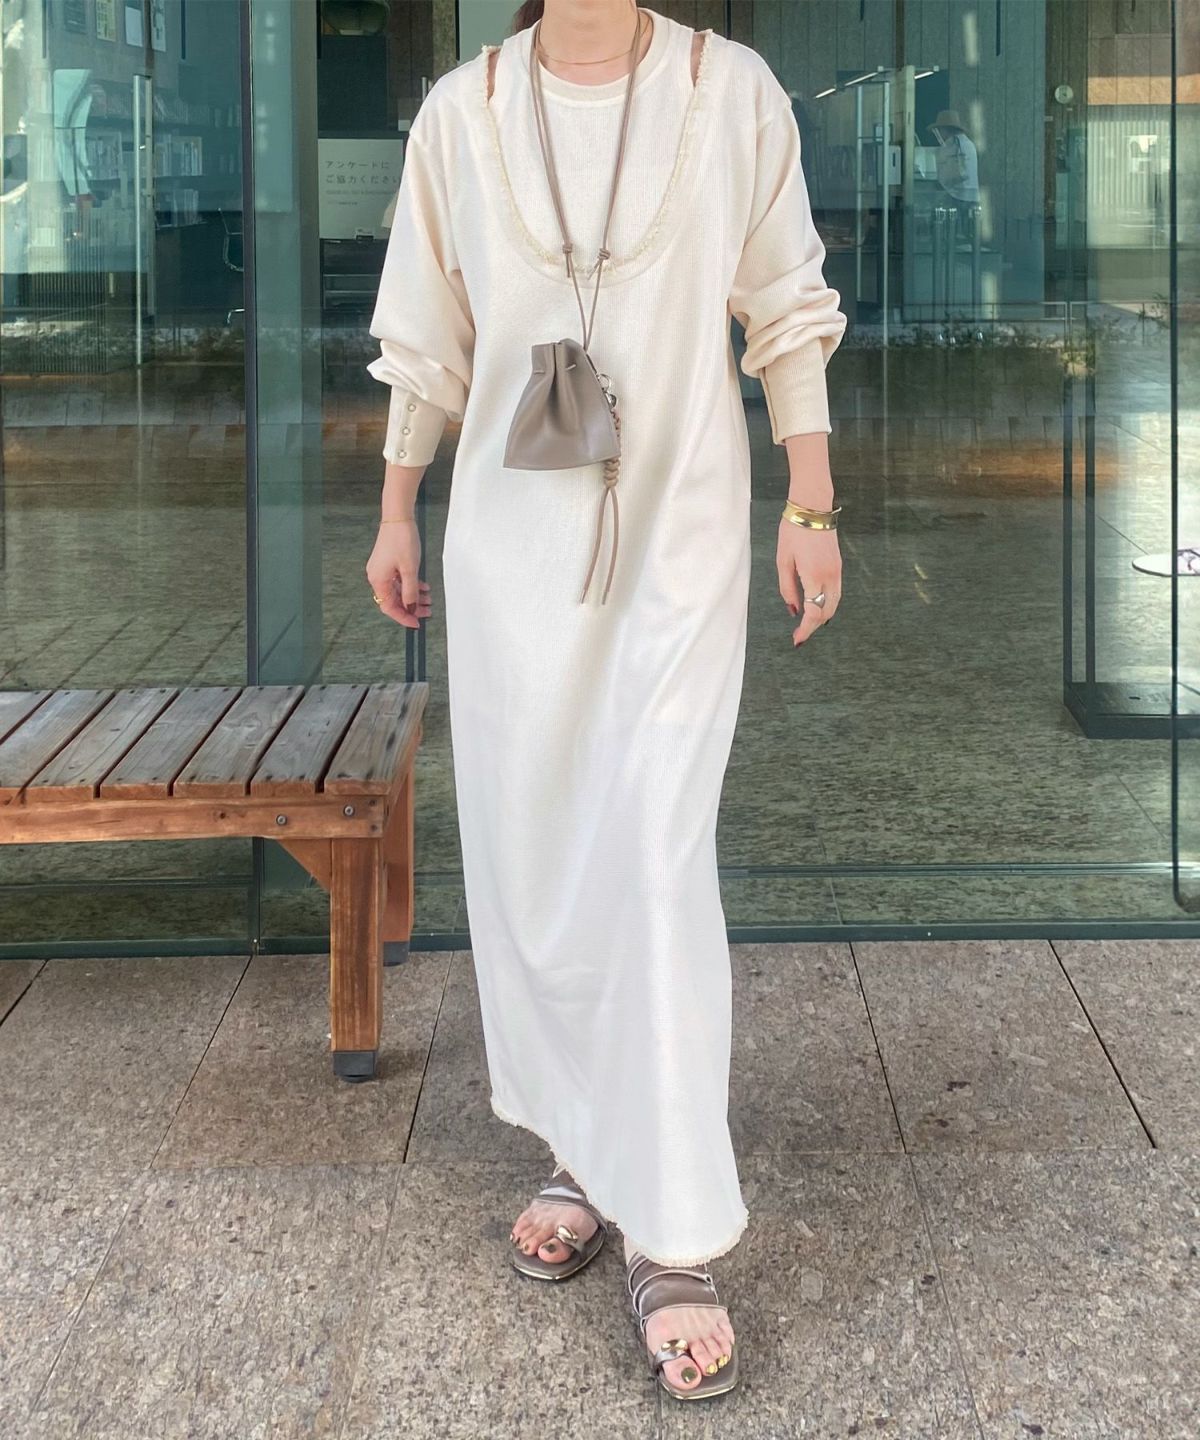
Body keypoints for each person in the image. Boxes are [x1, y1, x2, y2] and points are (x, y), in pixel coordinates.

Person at [365, 0, 845, 1402]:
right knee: (535, 861)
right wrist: (394, 509)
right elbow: (427, 335)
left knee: (648, 860)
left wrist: (812, 499)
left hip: (677, 545)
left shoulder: (731, 90)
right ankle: (582, 1150)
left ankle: (673, 1228)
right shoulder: (463, 111)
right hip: (511, 552)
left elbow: (787, 302)